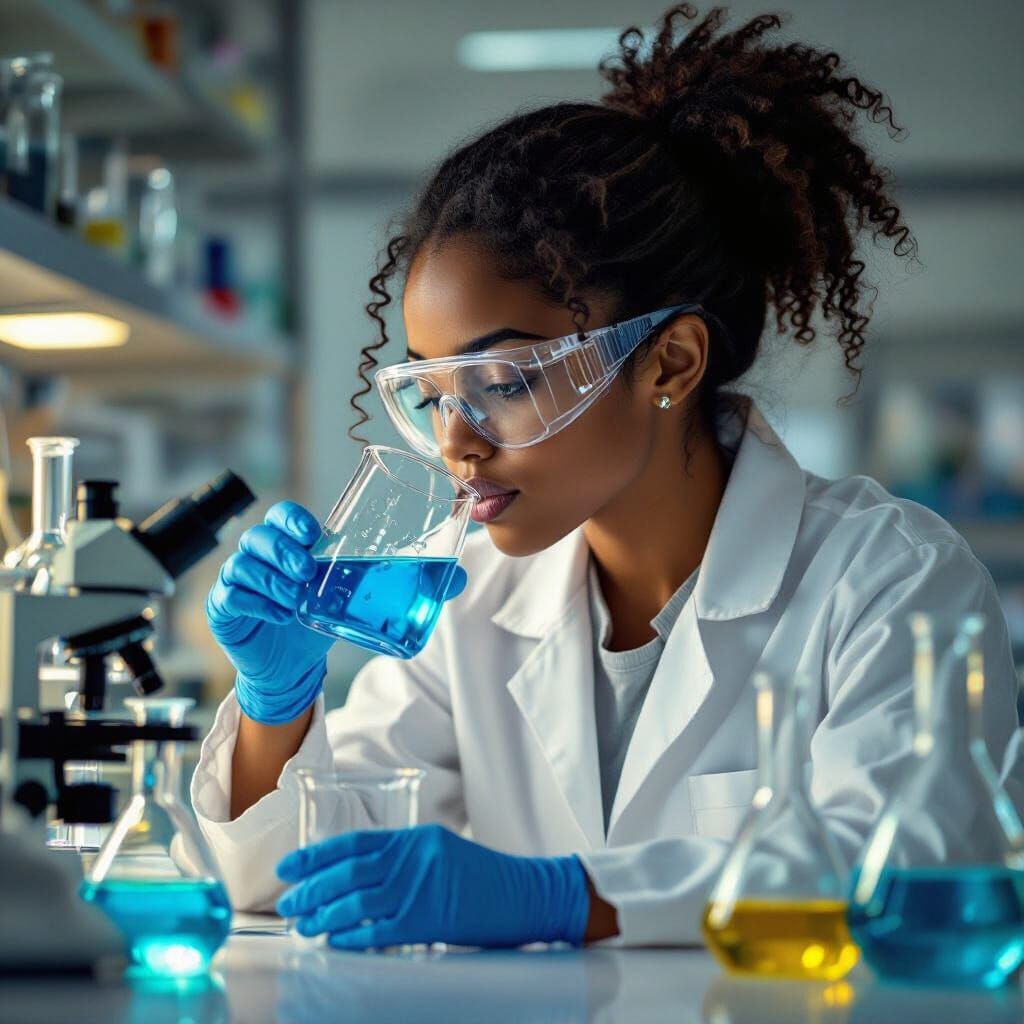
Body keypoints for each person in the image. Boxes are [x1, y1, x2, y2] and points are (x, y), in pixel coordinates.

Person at [186, 5, 1021, 949]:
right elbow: (292, 886)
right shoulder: (468, 607)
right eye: (432, 393)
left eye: (501, 383)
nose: (456, 441)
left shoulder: (891, 581)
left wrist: (564, 896)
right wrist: (277, 710)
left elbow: (904, 870)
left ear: (669, 363)